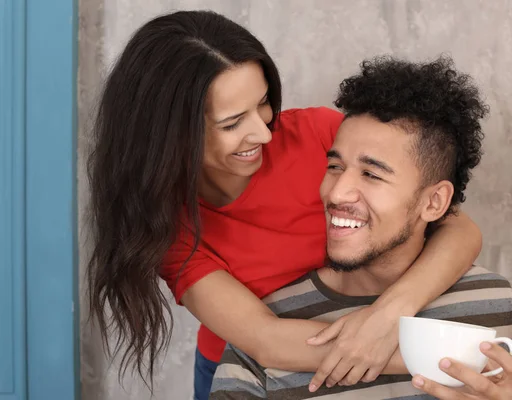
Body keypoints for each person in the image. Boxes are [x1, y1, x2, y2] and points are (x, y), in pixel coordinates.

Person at [86, 11, 482, 399]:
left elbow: (457, 227)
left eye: (262, 103)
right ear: (170, 135)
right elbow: (266, 340)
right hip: (248, 368)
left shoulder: (321, 136)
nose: (263, 131)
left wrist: (389, 315)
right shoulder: (166, 223)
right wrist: (444, 361)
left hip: (377, 341)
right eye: (231, 123)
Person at [209, 56, 512, 400]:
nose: (336, 192)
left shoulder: (500, 306)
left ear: (434, 203)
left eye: (371, 174)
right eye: (334, 166)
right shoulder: (267, 331)